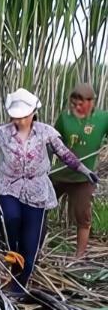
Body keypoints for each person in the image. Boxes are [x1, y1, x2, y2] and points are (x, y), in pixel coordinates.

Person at [0, 88, 98, 296]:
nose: (20, 120)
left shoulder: (46, 132)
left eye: (24, 116)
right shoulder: (1, 134)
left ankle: (19, 284)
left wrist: (84, 170)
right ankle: (7, 245)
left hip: (37, 189)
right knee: (11, 216)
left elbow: (64, 154)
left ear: (33, 113)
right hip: (8, 185)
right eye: (16, 116)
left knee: (30, 243)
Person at [51, 83, 107, 258]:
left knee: (83, 219)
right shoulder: (64, 119)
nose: (76, 107)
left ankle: (78, 258)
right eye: (73, 103)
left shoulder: (103, 119)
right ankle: (33, 246)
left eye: (81, 104)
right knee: (39, 208)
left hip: (83, 178)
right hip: (59, 174)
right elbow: (52, 142)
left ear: (91, 102)